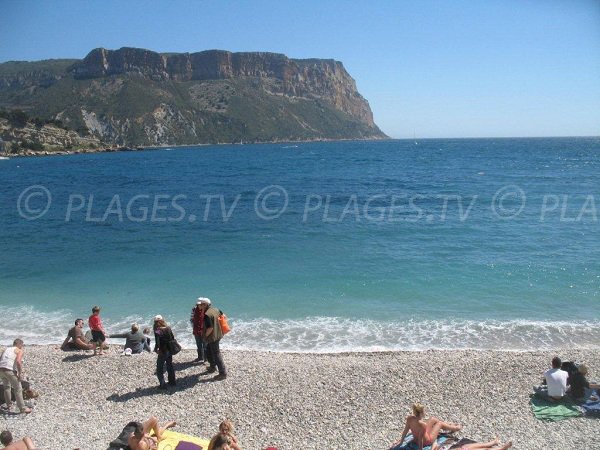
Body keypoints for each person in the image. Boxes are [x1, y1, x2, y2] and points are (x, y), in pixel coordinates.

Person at [394, 403, 462, 450]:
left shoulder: (410, 418)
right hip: (428, 441)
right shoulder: (422, 424)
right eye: (424, 411)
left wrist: (401, 442)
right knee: (439, 423)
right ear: (421, 413)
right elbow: (421, 440)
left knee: (432, 419)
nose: (425, 413)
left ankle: (447, 425)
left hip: (415, 440)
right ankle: (455, 428)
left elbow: (405, 431)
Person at [0, 339, 32, 414]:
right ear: (20, 344)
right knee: (18, 388)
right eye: (22, 345)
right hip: (9, 370)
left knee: (6, 387)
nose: (22, 347)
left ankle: (9, 405)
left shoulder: (6, 349)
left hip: (1, 369)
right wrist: (20, 374)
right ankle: (22, 408)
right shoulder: (19, 350)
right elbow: (18, 361)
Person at [199, 298, 227, 381]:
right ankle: (212, 366)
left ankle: (222, 373)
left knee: (216, 353)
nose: (199, 305)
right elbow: (224, 316)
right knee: (208, 350)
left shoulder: (207, 315)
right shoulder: (216, 309)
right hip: (219, 334)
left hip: (212, 337)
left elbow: (210, 328)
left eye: (201, 304)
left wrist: (204, 337)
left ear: (205, 305)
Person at [153, 315, 176, 389]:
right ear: (163, 320)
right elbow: (172, 338)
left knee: (159, 368)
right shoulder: (168, 328)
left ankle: (162, 385)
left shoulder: (158, 330)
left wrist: (156, 349)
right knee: (170, 365)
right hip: (170, 349)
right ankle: (172, 382)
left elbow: (157, 343)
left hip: (163, 351)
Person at [190, 298, 208, 363]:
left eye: (201, 304)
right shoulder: (194, 309)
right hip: (196, 330)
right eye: (198, 304)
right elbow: (191, 319)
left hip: (204, 331)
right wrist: (194, 327)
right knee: (199, 345)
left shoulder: (206, 310)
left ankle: (206, 358)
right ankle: (200, 357)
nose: (199, 306)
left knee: (205, 345)